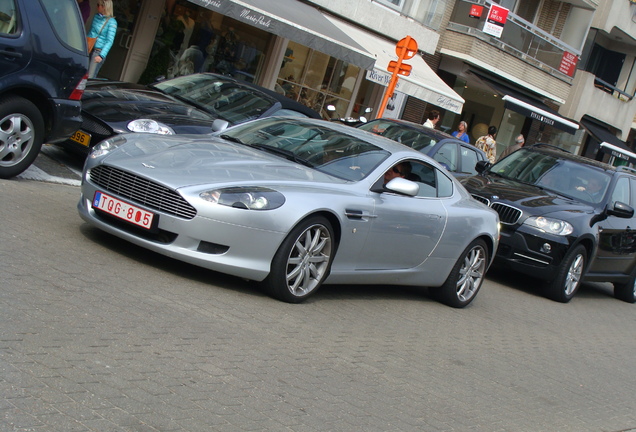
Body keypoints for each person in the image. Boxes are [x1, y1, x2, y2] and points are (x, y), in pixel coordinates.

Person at [86, 0, 117, 79]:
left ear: (104, 7)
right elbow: (91, 32)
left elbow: (109, 41)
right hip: (89, 48)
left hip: (98, 51)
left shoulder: (112, 22)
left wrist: (101, 55)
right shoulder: (96, 16)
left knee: (90, 77)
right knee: (82, 73)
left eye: (98, 5)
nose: (97, 7)